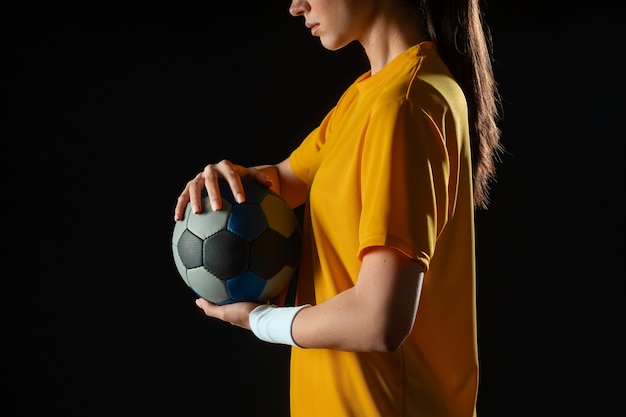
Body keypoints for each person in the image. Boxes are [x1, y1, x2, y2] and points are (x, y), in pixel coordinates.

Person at [174, 0, 502, 415]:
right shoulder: (370, 96)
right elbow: (283, 182)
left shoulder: (403, 105)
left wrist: (259, 321)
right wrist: (223, 182)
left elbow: (379, 319)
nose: (296, 6)